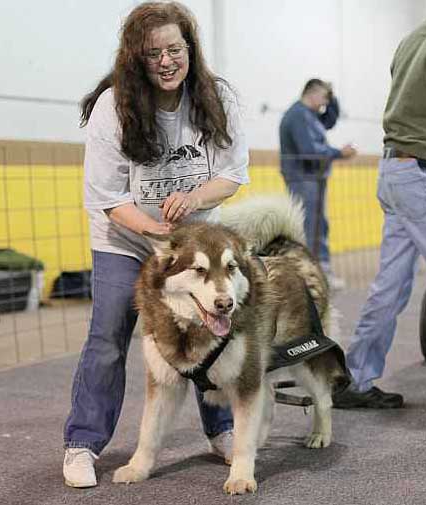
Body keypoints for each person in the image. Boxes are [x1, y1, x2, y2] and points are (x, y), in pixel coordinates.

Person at [63, 1, 249, 487]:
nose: (166, 61)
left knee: (214, 327)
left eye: (174, 49)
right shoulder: (114, 107)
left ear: (190, 49)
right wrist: (155, 233)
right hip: (125, 239)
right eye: (152, 54)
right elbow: (106, 199)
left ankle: (223, 430)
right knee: (108, 336)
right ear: (135, 59)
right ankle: (82, 443)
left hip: (195, 244)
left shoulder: (217, 97)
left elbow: (231, 175)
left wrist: (193, 198)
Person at [333, 0, 426, 409]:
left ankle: (356, 380)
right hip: (425, 174)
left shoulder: (412, 39)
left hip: (394, 171)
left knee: (389, 285)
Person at [279, 79, 356, 290]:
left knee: (318, 225)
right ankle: (314, 276)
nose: (324, 104)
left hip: (312, 178)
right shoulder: (298, 116)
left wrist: (333, 96)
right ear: (311, 93)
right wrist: (339, 153)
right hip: (303, 178)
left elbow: (330, 120)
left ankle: (318, 273)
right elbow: (311, 151)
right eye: (323, 98)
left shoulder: (309, 115)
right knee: (312, 227)